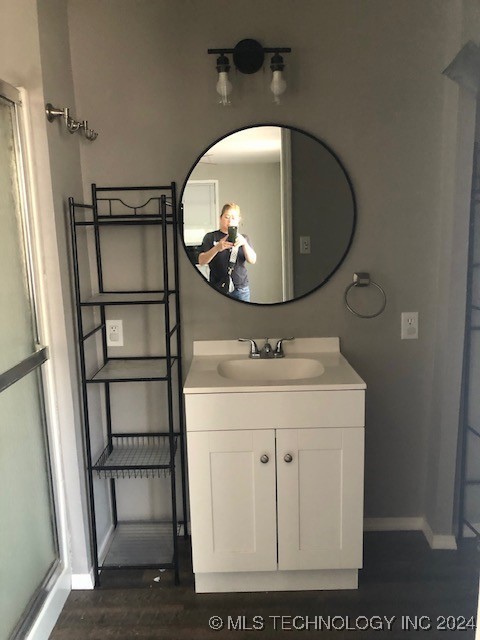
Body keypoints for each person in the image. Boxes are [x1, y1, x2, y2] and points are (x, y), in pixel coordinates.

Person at [198, 203, 256, 302]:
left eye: (233, 218)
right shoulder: (210, 237)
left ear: (238, 220)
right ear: (221, 218)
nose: (230, 221)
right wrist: (216, 248)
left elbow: (252, 260)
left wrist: (244, 244)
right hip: (217, 288)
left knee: (243, 317)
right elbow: (201, 261)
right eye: (227, 217)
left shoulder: (243, 238)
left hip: (241, 289)